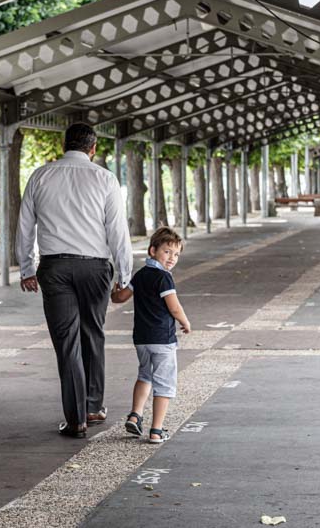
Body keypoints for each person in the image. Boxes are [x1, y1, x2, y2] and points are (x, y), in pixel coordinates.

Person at [17, 123, 133, 439]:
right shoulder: (105, 178)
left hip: (54, 268)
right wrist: (125, 277)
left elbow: (25, 226)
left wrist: (26, 268)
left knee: (67, 342)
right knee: (93, 333)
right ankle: (94, 406)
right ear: (93, 148)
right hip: (95, 268)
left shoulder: (40, 176)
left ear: (63, 145)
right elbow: (117, 231)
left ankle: (76, 419)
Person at [110, 227, 191, 444]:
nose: (172, 258)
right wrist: (185, 322)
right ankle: (156, 430)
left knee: (145, 375)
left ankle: (135, 415)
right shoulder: (164, 278)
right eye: (167, 252)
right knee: (164, 384)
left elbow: (120, 298)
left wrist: (114, 293)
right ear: (153, 251)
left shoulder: (141, 275)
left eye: (176, 254)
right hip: (162, 340)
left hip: (142, 339)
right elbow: (174, 307)